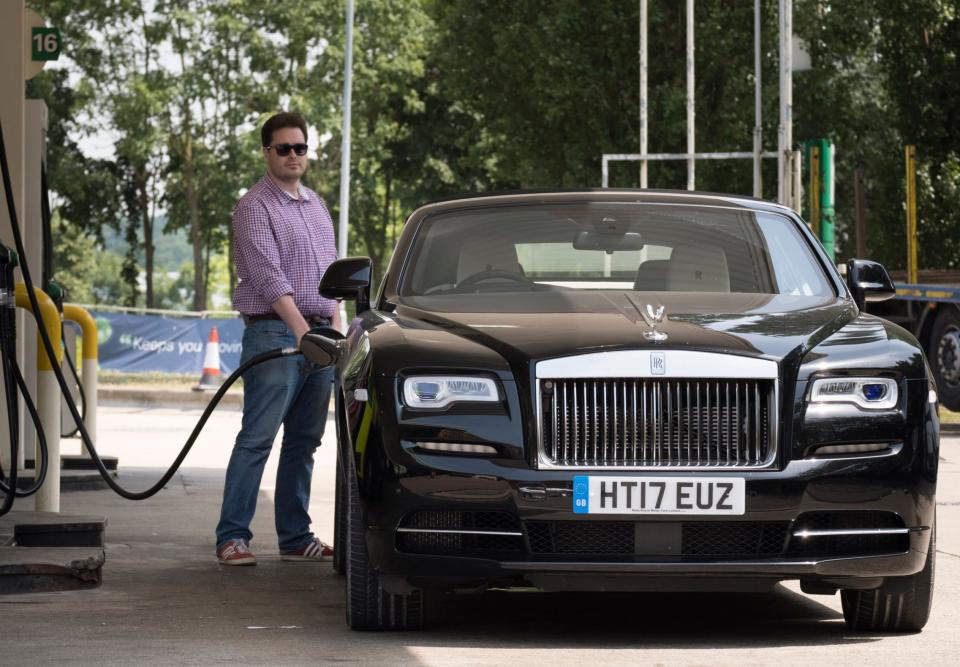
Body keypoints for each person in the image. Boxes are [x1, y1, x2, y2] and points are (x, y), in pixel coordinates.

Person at [215, 111, 341, 566]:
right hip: (275, 333)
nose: (293, 156)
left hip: (320, 334)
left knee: (305, 441)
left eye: (300, 148)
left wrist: (336, 332)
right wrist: (303, 333)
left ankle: (295, 536)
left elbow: (331, 276)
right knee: (258, 439)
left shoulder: (317, 206)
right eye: (284, 148)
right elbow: (269, 278)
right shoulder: (253, 206)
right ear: (267, 152)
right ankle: (231, 537)